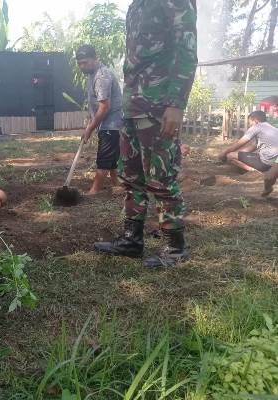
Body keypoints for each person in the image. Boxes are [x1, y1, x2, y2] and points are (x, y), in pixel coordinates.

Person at [94, 0, 198, 268]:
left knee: (162, 179)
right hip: (132, 107)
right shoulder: (135, 6)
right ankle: (132, 240)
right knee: (131, 178)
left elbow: (187, 52)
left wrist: (176, 104)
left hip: (158, 105)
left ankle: (175, 248)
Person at [75, 44, 123, 195]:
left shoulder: (101, 76)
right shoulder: (92, 74)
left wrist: (90, 128)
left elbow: (104, 107)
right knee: (112, 155)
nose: (82, 66)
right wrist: (90, 124)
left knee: (104, 157)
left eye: (85, 62)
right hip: (108, 123)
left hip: (112, 123)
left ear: (95, 59)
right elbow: (96, 105)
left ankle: (94, 191)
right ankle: (117, 184)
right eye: (80, 63)